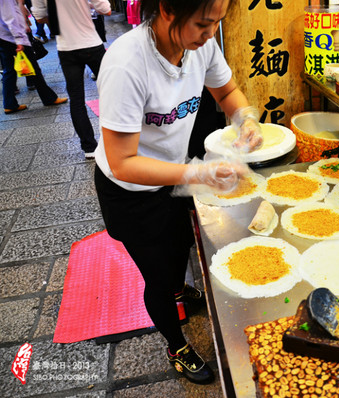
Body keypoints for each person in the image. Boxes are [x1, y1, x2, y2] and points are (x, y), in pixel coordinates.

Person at [93, 0, 262, 385]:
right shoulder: (126, 64)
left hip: (172, 173)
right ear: (168, 9)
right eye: (204, 24)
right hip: (130, 190)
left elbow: (227, 90)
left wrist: (245, 119)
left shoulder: (199, 45)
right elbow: (122, 161)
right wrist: (197, 172)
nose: (210, 34)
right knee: (156, 271)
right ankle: (176, 344)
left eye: (217, 23)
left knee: (181, 243)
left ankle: (178, 286)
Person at [31, 0, 111, 159]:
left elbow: (39, 18)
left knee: (77, 100)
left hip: (66, 49)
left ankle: (89, 147)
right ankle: (119, 136)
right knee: (112, 92)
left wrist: (61, 19)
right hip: (91, 44)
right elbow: (106, 9)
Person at [0, 0, 67, 114]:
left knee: (9, 70)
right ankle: (49, 98)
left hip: (4, 36)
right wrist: (19, 39)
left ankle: (10, 103)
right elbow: (10, 17)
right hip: (11, 37)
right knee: (32, 67)